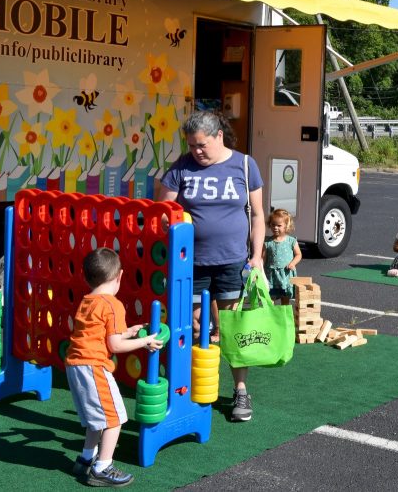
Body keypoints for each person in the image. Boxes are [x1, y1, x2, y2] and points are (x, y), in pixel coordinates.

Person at [155, 110, 264, 422]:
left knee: (231, 328)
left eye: (201, 145)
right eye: (191, 146)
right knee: (188, 327)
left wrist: (256, 257)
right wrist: (168, 222)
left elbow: (257, 215)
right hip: (190, 265)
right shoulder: (182, 167)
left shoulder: (244, 164)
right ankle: (183, 389)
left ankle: (241, 391)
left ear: (219, 136)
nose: (196, 151)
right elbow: (163, 211)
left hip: (232, 262)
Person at [65, 247, 164, 487]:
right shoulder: (112, 304)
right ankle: (102, 467)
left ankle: (86, 458)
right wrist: (145, 341)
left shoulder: (87, 300)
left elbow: (102, 333)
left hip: (75, 364)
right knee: (114, 418)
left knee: (95, 419)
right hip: (93, 366)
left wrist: (128, 331)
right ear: (120, 276)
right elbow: (115, 345)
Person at [264, 208, 302, 305]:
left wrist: (292, 263)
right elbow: (263, 258)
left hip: (285, 274)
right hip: (271, 275)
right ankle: (271, 317)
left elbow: (298, 255)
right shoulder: (268, 242)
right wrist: (261, 270)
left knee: (285, 298)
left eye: (279, 225)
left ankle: (284, 317)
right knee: (270, 298)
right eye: (273, 225)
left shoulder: (291, 241)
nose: (275, 227)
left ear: (286, 226)